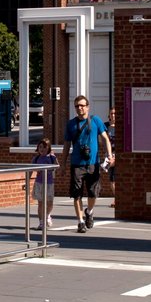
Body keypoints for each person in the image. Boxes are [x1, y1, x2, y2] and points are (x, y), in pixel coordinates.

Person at [61, 95, 113, 233]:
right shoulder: (71, 124)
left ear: (88, 107)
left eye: (82, 105)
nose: (80, 108)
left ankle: (89, 211)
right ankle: (80, 221)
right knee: (76, 194)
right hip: (77, 164)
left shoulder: (95, 120)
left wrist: (109, 155)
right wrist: (63, 164)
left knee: (93, 193)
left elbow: (106, 139)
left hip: (93, 163)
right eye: (77, 106)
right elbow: (66, 145)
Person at [30, 139, 58, 229]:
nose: (42, 149)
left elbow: (57, 166)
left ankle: (48, 215)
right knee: (40, 203)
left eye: (45, 147)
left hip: (49, 183)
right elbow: (30, 170)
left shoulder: (51, 158)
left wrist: (54, 157)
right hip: (39, 183)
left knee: (50, 202)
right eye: (40, 147)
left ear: (48, 148)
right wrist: (27, 180)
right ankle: (41, 222)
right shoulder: (36, 158)